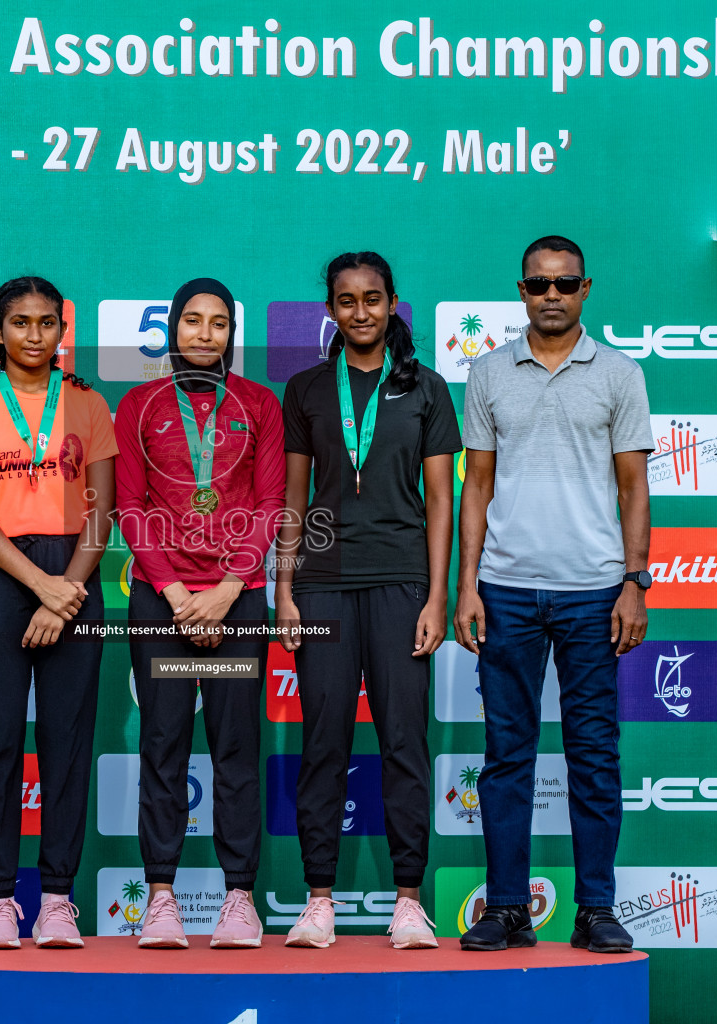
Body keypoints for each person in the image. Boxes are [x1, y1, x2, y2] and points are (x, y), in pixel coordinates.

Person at [455, 235, 651, 955]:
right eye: (539, 285)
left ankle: (596, 907)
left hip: (594, 592)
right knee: (507, 756)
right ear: (521, 291)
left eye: (564, 285)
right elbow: (475, 485)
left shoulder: (621, 374)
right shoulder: (487, 373)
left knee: (594, 756)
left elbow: (635, 487)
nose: (552, 296)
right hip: (504, 591)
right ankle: (507, 907)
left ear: (586, 290)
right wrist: (466, 586)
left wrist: (634, 583)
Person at [275, 252, 461, 950]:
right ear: (331, 307)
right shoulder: (306, 390)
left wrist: (438, 596)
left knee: (405, 743)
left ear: (392, 304)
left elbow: (441, 502)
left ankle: (408, 902)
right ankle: (318, 901)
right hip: (322, 584)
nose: (360, 312)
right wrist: (284, 587)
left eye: (373, 299)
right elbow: (295, 498)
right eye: (347, 300)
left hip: (401, 582)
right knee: (323, 743)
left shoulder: (426, 388)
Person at [0, 276, 116, 949]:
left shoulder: (87, 403)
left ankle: (59, 903)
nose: (35, 335)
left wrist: (65, 587)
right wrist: (41, 587)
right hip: (2, 578)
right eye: (21, 322)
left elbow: (103, 511)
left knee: (66, 748)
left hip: (76, 575)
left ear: (61, 330)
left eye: (47, 323)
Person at [114, 278, 285, 950]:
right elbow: (130, 505)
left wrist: (228, 588)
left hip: (237, 603)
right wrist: (179, 594)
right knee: (163, 744)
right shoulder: (137, 404)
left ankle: (240, 898)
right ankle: (161, 897)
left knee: (237, 745)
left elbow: (271, 503)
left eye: (217, 324)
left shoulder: (260, 405)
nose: (205, 334)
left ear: (231, 335)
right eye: (192, 321)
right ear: (172, 329)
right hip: (162, 605)